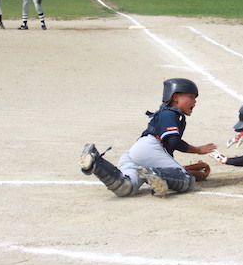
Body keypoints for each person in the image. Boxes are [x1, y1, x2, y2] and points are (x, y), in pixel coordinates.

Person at [79, 78, 217, 197]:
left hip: (134, 153)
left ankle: (96, 162)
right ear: (175, 97)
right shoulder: (170, 114)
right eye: (191, 97)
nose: (195, 101)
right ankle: (156, 173)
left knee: (125, 187)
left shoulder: (165, 114)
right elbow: (173, 141)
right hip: (149, 148)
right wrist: (198, 150)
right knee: (187, 180)